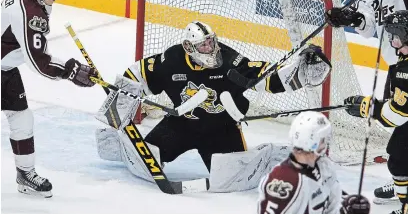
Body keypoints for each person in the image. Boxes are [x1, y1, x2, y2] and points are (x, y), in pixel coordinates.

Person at [94, 21, 332, 192]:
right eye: (204, 45)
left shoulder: (229, 60)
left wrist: (299, 71)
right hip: (180, 126)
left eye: (212, 42)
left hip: (222, 129)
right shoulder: (171, 60)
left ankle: (279, 158)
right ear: (189, 48)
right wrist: (119, 102)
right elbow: (138, 73)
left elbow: (265, 77)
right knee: (145, 161)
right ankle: (118, 143)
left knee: (233, 179)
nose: (211, 48)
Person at [325, 0, 408, 206]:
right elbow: (369, 27)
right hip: (398, 65)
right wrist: (353, 20)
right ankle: (406, 179)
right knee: (405, 127)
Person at [1, 0, 96, 197]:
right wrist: (71, 71)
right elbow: (39, 63)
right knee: (20, 117)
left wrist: (69, 68)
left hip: (5, 68)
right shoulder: (29, 12)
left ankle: (25, 174)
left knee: (22, 117)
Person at [342, 10, 408, 214]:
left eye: (394, 36)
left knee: (400, 164)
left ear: (404, 37)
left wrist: (368, 108)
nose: (390, 39)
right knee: (400, 162)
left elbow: (395, 117)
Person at [257, 111, 371, 214]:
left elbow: (331, 199)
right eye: (323, 139)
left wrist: (348, 205)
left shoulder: (323, 165)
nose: (326, 142)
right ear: (314, 142)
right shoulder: (284, 181)